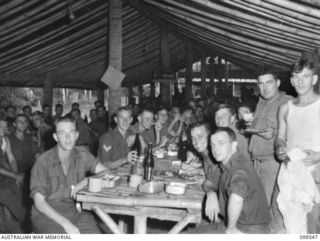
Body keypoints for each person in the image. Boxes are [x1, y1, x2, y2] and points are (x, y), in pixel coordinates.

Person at [30, 116, 113, 234]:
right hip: (47, 213)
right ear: (55, 137)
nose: (68, 138)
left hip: (73, 210)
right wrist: (66, 224)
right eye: (62, 133)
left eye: (71, 132)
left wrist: (88, 180)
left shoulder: (83, 154)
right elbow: (39, 203)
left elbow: (107, 172)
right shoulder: (43, 161)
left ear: (77, 135)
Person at [270, 53, 320, 233]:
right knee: (278, 226)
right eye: (296, 78)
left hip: (315, 175)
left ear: (314, 79)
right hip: (289, 172)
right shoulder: (285, 108)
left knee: (312, 229)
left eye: (305, 77)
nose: (300, 82)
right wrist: (279, 148)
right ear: (291, 81)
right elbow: (280, 138)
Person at [207, 127, 270, 233]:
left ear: (234, 146)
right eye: (212, 145)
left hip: (249, 230)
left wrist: (230, 229)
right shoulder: (227, 165)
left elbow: (236, 199)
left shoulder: (239, 167)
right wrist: (210, 193)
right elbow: (209, 183)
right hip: (239, 224)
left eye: (221, 143)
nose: (215, 149)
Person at [248, 66, 292, 205]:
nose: (265, 87)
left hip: (273, 165)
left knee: (270, 210)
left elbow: (298, 134)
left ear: (278, 83)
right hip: (256, 164)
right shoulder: (261, 102)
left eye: (269, 82)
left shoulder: (288, 102)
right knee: (257, 208)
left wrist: (275, 134)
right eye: (261, 83)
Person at [0, 118, 26, 233]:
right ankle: (21, 219)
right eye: (0, 127)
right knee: (6, 189)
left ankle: (17, 219)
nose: (3, 129)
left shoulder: (5, 139)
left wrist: (16, 175)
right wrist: (14, 176)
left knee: (22, 182)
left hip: (3, 171)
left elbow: (11, 159)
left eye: (5, 127)